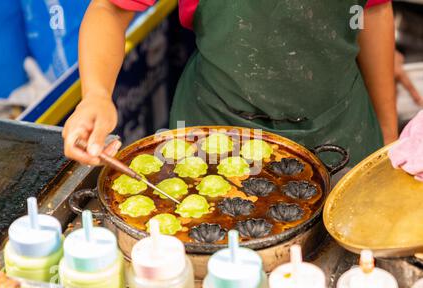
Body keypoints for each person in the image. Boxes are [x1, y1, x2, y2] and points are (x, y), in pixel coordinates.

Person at [62, 0, 422, 180]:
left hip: (342, 129)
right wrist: (96, 94)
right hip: (215, 129)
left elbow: (373, 11)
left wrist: (387, 131)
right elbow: (110, 9)